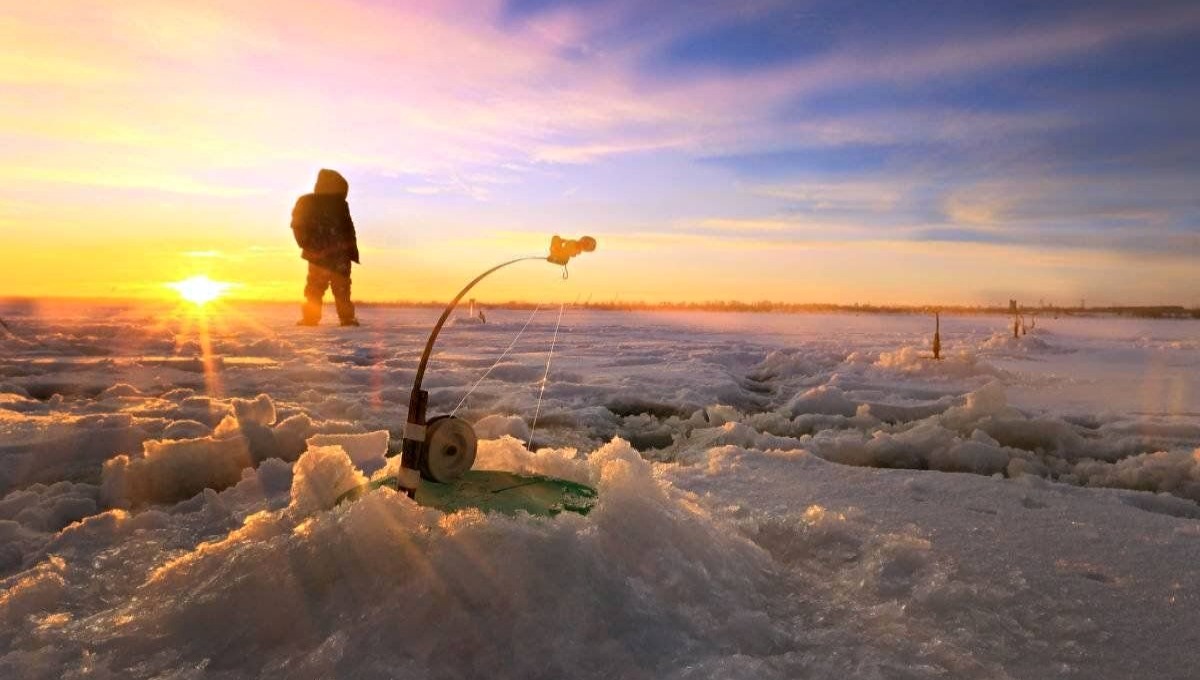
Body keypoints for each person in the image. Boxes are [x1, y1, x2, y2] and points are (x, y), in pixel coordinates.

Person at [291, 169, 360, 326]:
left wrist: (351, 251)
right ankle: (311, 318)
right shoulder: (307, 202)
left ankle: (346, 318)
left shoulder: (341, 205)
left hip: (338, 255)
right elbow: (297, 224)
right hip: (320, 254)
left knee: (340, 288)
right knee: (316, 288)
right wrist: (306, 243)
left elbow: (348, 229)